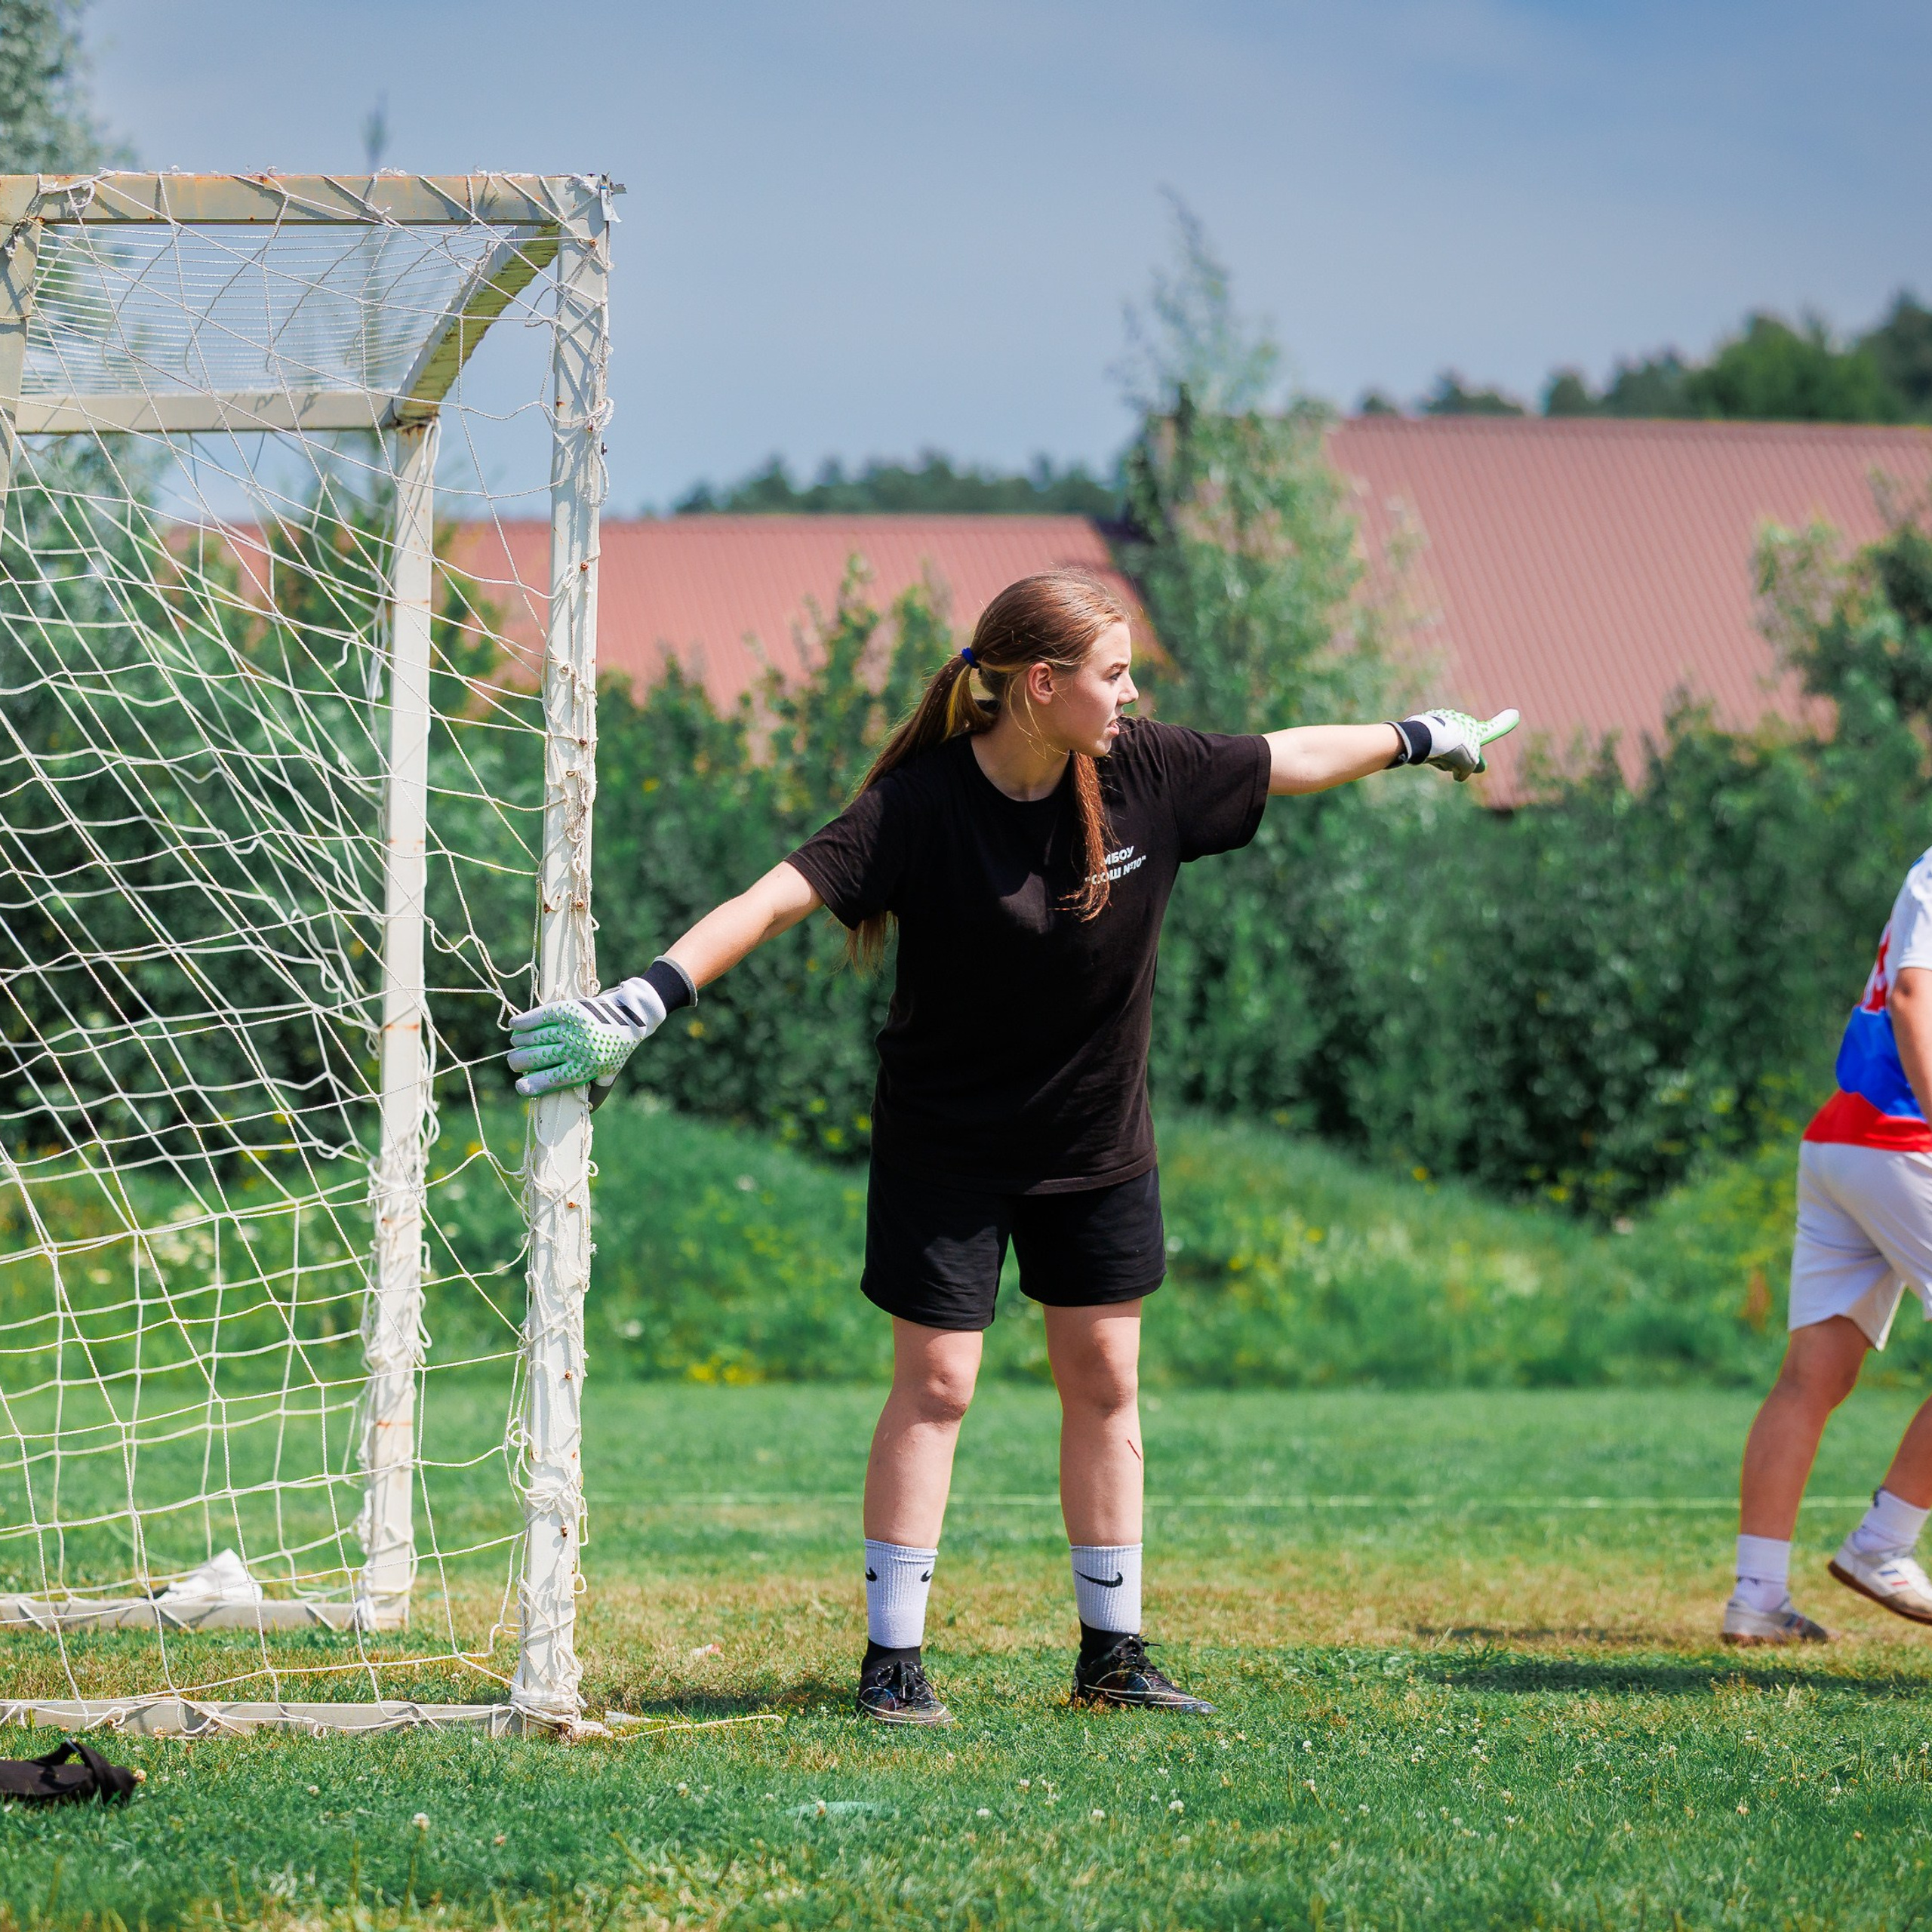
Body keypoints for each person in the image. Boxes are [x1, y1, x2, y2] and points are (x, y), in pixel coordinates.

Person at [507, 569, 1515, 1724]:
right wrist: (641, 1003)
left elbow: (1288, 754)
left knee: (1108, 1379)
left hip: (1098, 1141)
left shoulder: (1147, 774)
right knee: (937, 1384)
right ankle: (893, 1666)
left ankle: (1114, 1656)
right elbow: (777, 897)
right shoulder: (923, 805)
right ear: (1042, 685)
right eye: (1114, 674)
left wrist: (1423, 737)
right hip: (948, 1149)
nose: (1132, 695)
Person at [1725, 847, 1932, 1645]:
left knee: (1811, 1376)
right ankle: (1883, 1541)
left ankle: (1756, 1597)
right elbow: (1914, 996)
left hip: (1846, 1137)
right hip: (1900, 1139)